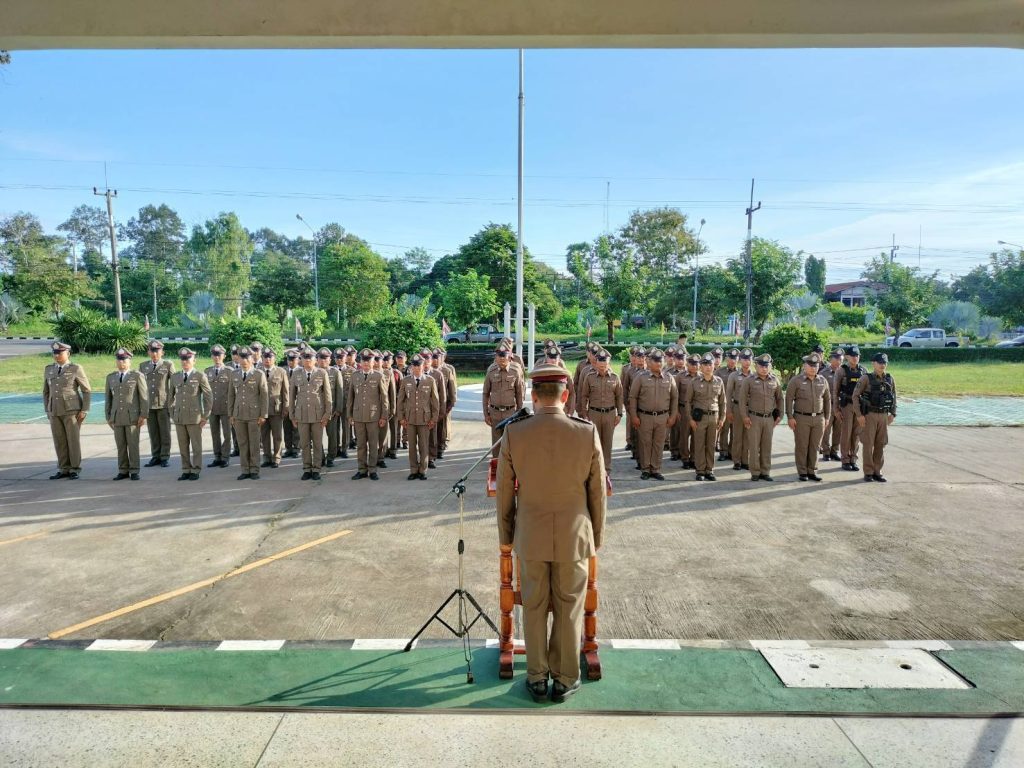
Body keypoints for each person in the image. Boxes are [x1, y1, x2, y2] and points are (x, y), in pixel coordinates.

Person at [496, 361, 606, 704]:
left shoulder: (515, 433)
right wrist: (595, 537)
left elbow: (504, 492)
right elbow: (597, 492)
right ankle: (565, 678)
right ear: (566, 395)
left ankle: (537, 678)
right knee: (570, 607)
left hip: (531, 535)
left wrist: (506, 535)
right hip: (575, 536)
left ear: (533, 394)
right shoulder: (586, 431)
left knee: (533, 606)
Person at [44, 341, 92, 480]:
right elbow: (46, 392)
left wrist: (85, 410)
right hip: (54, 410)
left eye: (60, 353)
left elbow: (86, 390)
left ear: (68, 354)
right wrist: (47, 409)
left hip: (72, 410)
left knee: (72, 440)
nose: (57, 355)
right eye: (55, 353)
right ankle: (63, 468)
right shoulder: (49, 369)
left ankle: (74, 469)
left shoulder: (76, 368)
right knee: (59, 441)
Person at [627, 348, 678, 480]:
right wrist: (634, 416)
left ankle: (655, 469)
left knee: (658, 444)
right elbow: (633, 397)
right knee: (645, 443)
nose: (658, 363)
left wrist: (672, 416)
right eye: (655, 361)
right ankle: (645, 469)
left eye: (660, 361)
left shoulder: (669, 378)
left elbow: (674, 398)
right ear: (649, 362)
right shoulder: (641, 377)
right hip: (645, 416)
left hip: (662, 417)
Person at [168, 347, 212, 481]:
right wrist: (173, 414)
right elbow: (170, 397)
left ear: (194, 361)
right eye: (183, 359)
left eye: (188, 359)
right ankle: (186, 469)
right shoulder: (175, 377)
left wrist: (205, 416)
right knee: (183, 446)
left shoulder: (200, 376)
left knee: (196, 446)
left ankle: (196, 469)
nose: (185, 362)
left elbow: (208, 396)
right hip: (179, 417)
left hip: (194, 417)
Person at [786, 353, 832, 482]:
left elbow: (827, 400)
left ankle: (812, 470)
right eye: (810, 365)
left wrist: (827, 417)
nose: (813, 368)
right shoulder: (796, 381)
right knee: (802, 446)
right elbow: (789, 399)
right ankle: (802, 472)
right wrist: (790, 417)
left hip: (819, 418)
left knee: (815, 446)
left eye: (815, 365)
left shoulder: (822, 380)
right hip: (801, 418)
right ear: (804, 366)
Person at [738, 353, 783, 481]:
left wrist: (780, 414)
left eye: (766, 366)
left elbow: (780, 398)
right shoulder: (749, 380)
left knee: (766, 446)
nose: (764, 368)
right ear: (756, 366)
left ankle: (765, 471)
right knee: (754, 446)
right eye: (761, 366)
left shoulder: (774, 380)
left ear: (770, 366)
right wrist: (744, 416)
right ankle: (755, 472)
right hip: (754, 418)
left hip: (769, 418)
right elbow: (742, 400)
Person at [853, 352, 898, 482]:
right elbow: (855, 396)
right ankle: (868, 472)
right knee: (868, 444)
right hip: (869, 415)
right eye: (880, 363)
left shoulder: (890, 378)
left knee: (881, 444)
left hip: (883, 415)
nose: (882, 365)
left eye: (884, 363)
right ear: (873, 363)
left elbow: (894, 396)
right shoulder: (866, 378)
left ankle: (877, 471)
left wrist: (893, 413)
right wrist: (859, 415)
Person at [577, 349, 623, 473]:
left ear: (609, 364)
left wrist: (619, 414)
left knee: (607, 443)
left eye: (605, 365)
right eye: (600, 365)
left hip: (610, 414)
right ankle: (595, 468)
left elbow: (619, 396)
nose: (602, 367)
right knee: (594, 442)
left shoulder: (615, 378)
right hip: (594, 414)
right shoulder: (589, 377)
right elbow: (584, 396)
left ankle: (606, 469)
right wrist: (585, 413)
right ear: (596, 363)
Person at [347, 347, 389, 480]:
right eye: (364, 360)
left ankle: (372, 470)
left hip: (373, 416)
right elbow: (350, 397)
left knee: (373, 444)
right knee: (360, 445)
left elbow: (384, 398)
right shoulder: (355, 376)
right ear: (360, 362)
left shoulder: (378, 376)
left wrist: (384, 416)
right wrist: (349, 415)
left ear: (373, 362)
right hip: (358, 416)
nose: (366, 363)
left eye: (368, 360)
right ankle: (362, 470)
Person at [105, 347, 146, 481]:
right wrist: (108, 416)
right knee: (121, 445)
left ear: (129, 361)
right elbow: (108, 399)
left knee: (133, 444)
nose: (121, 362)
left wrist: (143, 415)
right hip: (117, 417)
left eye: (124, 360)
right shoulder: (111, 377)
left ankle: (134, 470)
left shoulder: (137, 376)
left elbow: (144, 397)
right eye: (119, 360)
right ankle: (123, 470)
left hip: (132, 416)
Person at [228, 347, 268, 480]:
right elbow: (231, 395)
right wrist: (231, 414)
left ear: (252, 359)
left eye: (247, 358)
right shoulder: (234, 374)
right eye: (242, 358)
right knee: (242, 443)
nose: (244, 360)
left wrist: (263, 414)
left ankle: (255, 469)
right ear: (238, 359)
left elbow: (264, 396)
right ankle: (245, 470)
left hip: (254, 415)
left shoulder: (258, 374)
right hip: (239, 414)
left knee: (254, 443)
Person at [291, 349, 332, 480]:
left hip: (318, 415)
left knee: (317, 443)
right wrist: (292, 415)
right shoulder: (296, 373)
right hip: (302, 414)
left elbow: (328, 395)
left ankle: (316, 469)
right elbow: (291, 396)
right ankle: (307, 469)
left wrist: (327, 414)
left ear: (315, 360)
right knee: (304, 443)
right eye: (305, 357)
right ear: (301, 360)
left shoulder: (322, 373)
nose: (308, 360)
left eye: (310, 357)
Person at [396, 355, 439, 480]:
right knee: (411, 447)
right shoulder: (406, 380)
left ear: (423, 366)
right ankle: (413, 470)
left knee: (424, 446)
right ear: (411, 367)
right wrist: (401, 417)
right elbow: (400, 400)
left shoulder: (430, 380)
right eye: (414, 366)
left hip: (425, 419)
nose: (417, 368)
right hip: (410, 419)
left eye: (419, 365)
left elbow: (435, 401)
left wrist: (434, 419)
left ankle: (423, 470)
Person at [685, 353, 726, 481]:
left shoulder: (719, 381)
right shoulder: (694, 382)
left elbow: (723, 402)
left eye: (710, 364)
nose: (708, 367)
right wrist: (690, 419)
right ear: (701, 367)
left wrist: (722, 418)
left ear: (714, 366)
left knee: (711, 445)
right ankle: (700, 471)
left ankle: (709, 470)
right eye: (705, 365)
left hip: (714, 417)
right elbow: (688, 402)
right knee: (699, 444)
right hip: (699, 418)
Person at [482, 345, 524, 456]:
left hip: (510, 413)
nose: (501, 358)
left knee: (510, 443)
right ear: (495, 357)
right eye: (499, 356)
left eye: (503, 356)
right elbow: (486, 393)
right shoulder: (491, 371)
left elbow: (519, 393)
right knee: (496, 445)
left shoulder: (515, 371)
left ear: (509, 356)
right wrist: (486, 414)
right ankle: (496, 464)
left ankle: (509, 465)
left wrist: (519, 412)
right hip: (495, 413)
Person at [832, 345, 867, 472]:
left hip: (859, 407)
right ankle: (845, 460)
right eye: (852, 356)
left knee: (856, 433)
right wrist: (836, 409)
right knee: (846, 433)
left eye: (857, 355)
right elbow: (835, 391)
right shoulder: (841, 371)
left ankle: (853, 459)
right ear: (847, 357)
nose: (855, 358)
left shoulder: (863, 370)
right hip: (846, 406)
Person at [140, 340, 174, 468]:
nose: (154, 354)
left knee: (165, 432)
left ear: (162, 352)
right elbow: (140, 387)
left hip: (163, 404)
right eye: (152, 351)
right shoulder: (143, 366)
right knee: (153, 432)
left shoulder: (168, 365)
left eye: (157, 351)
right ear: (148, 352)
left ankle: (164, 456)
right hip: (149, 404)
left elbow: (174, 384)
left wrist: (172, 402)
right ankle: (155, 456)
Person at [259, 349, 290, 469]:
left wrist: (286, 407)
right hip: (262, 410)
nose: (268, 359)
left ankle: (276, 458)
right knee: (264, 435)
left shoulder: (281, 372)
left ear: (274, 359)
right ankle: (267, 457)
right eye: (265, 357)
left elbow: (285, 391)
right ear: (262, 359)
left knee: (277, 435)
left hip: (276, 409)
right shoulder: (258, 371)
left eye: (270, 357)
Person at [205, 345, 234, 468]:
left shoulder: (230, 371)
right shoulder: (207, 371)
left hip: (226, 408)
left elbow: (233, 391)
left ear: (224, 356)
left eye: (219, 355)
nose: (217, 357)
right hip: (212, 408)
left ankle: (225, 457)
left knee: (227, 434)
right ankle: (217, 456)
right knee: (214, 433)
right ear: (212, 356)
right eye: (214, 355)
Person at [727, 349, 755, 471]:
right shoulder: (734, 375)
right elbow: (728, 394)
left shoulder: (755, 376)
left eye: (749, 359)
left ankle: (745, 461)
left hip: (751, 409)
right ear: (740, 360)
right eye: (744, 359)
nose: (747, 362)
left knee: (748, 436)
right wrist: (728, 410)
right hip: (737, 408)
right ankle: (737, 461)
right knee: (737, 435)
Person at [819, 348, 844, 462]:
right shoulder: (823, 373)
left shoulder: (844, 372)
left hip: (840, 406)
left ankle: (835, 451)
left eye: (841, 359)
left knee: (838, 430)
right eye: (837, 359)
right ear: (831, 359)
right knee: (826, 430)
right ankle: (826, 452)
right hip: (828, 406)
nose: (839, 361)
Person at [281, 349, 302, 459]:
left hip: (298, 403)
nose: (291, 362)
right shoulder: (283, 371)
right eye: (289, 360)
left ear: (298, 360)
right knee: (286, 427)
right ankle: (288, 448)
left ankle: (296, 448)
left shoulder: (302, 371)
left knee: (296, 427)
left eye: (293, 360)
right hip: (285, 404)